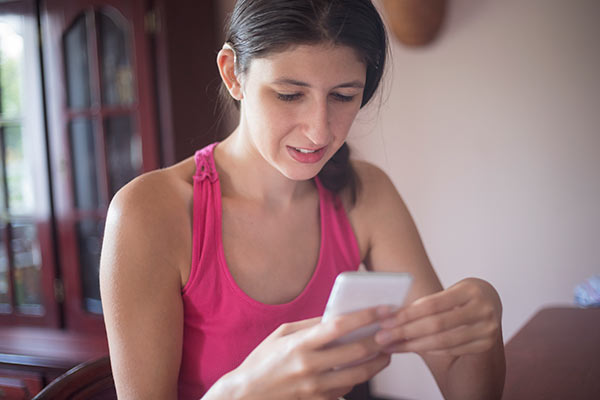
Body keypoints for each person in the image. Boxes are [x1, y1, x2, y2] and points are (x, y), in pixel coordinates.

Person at [99, 0, 506, 399]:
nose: (319, 132)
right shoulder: (148, 215)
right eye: (290, 95)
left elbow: (459, 382)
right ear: (232, 74)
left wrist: (481, 328)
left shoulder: (364, 194)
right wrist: (241, 392)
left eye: (343, 96)